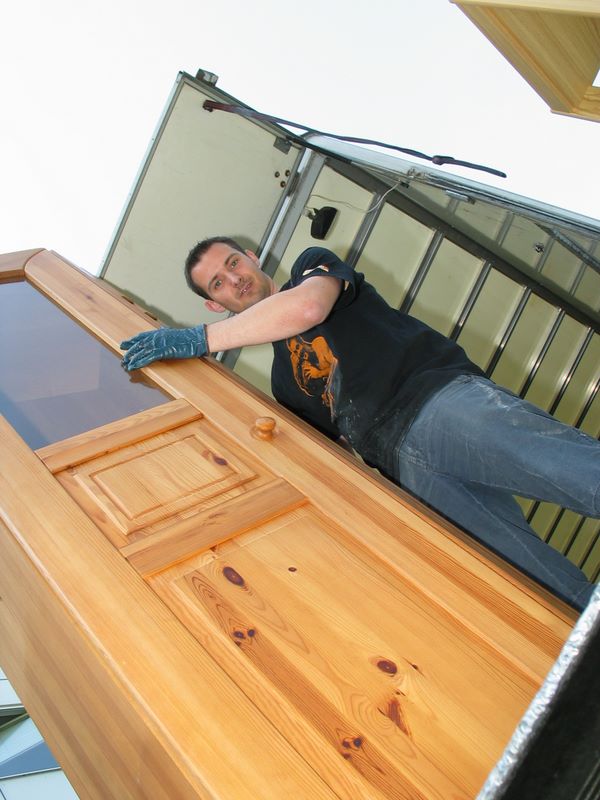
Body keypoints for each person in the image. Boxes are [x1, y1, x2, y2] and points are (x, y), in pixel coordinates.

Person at [121, 236, 600, 609]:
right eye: (218, 284)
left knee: (578, 473)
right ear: (215, 304)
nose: (234, 279)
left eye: (233, 264)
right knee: (535, 583)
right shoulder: (283, 385)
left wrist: (199, 340)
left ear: (251, 256)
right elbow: (335, 460)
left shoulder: (312, 268)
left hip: (439, 403)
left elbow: (307, 309)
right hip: (407, 474)